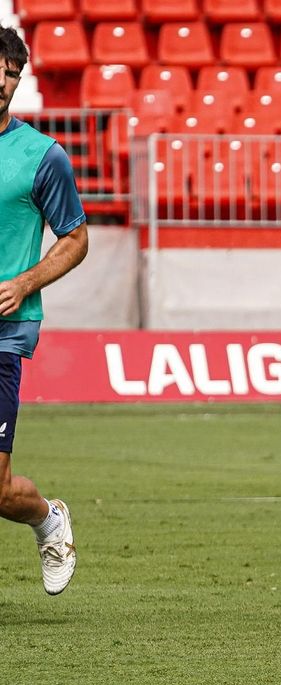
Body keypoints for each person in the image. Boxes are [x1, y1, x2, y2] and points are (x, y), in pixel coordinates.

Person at [0, 26, 88, 595]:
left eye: (11, 73)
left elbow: (76, 238)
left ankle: (46, 518)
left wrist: (25, 280)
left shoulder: (41, 156)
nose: (1, 81)